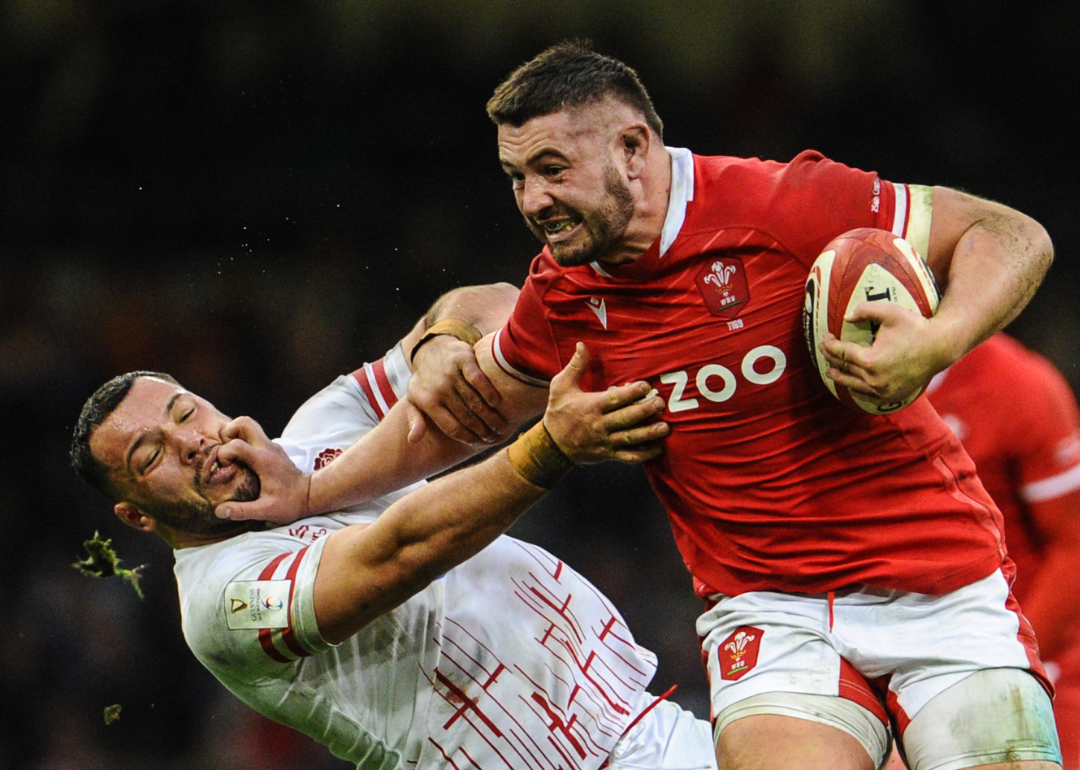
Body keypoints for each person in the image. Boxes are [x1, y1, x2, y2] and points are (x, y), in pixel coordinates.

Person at [218, 42, 1062, 770]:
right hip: (770, 610)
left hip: (939, 583)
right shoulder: (564, 292)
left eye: (553, 170)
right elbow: (462, 417)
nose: (533, 201)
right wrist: (307, 488)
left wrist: (940, 340)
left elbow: (1011, 233)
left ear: (632, 147)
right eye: (516, 178)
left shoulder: (780, 206)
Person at [69, 283, 720, 770]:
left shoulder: (320, 430)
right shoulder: (221, 601)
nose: (189, 441)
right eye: (149, 454)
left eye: (187, 411)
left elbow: (494, 307)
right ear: (136, 514)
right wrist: (552, 445)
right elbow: (399, 554)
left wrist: (439, 347)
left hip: (649, 726)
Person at [924, 333, 1080, 769]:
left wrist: (1014, 666)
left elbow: (1073, 545)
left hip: (1028, 645)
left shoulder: (1016, 384)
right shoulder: (828, 387)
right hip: (904, 644)